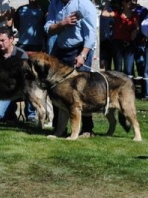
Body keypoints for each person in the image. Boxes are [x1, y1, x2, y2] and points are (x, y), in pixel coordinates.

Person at [45, 0, 98, 137]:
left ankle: (87, 129)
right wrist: (62, 24)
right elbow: (48, 28)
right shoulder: (54, 4)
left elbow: (91, 33)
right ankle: (59, 129)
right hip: (61, 48)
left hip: (80, 49)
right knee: (57, 89)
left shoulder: (85, 5)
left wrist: (83, 55)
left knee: (82, 91)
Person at [0, 26, 28, 122]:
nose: (0, 44)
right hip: (1, 90)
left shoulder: (21, 55)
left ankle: (30, 116)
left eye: (3, 40)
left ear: (11, 39)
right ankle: (10, 114)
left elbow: (26, 76)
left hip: (18, 89)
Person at [102, 0, 139, 77]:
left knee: (128, 69)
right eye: (126, 1)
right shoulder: (117, 13)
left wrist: (135, 32)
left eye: (129, 1)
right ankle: (118, 86)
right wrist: (107, 3)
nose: (128, 3)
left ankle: (128, 86)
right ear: (122, 2)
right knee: (118, 68)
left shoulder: (134, 15)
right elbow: (104, 14)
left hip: (129, 43)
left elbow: (137, 28)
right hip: (117, 43)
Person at [99, 0, 117, 70]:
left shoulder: (111, 10)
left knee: (107, 61)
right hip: (99, 39)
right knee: (101, 62)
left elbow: (113, 23)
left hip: (108, 39)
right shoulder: (96, 9)